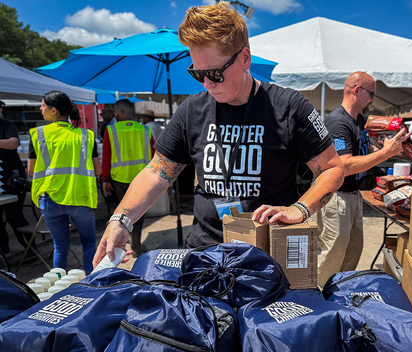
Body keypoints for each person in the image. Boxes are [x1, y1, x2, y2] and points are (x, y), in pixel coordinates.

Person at [93, 2, 345, 267]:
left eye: (214, 73)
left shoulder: (289, 107)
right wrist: (120, 220)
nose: (207, 84)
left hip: (269, 254)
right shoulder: (192, 109)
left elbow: (332, 168)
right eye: (197, 73)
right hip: (205, 253)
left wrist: (300, 209)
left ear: (245, 58)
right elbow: (158, 172)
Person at [315, 71, 411, 286]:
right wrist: (385, 153)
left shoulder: (358, 120)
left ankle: (341, 292)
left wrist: (390, 148)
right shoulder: (338, 122)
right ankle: (320, 295)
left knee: (353, 251)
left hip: (352, 195)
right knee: (333, 256)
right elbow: (345, 165)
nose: (373, 100)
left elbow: (364, 151)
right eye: (372, 94)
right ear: (357, 90)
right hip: (336, 196)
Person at [28, 91, 102, 275]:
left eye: (43, 105)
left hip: (50, 199)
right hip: (80, 198)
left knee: (60, 247)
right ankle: (91, 284)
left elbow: (31, 171)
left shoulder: (38, 135)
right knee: (89, 243)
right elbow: (98, 170)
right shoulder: (86, 136)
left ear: (54, 110)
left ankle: (59, 286)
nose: (40, 108)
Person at [101, 99, 154, 257]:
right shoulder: (145, 130)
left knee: (122, 213)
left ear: (121, 112)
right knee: (138, 213)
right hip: (142, 178)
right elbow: (155, 156)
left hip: (120, 179)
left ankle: (121, 247)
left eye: (115, 112)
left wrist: (105, 179)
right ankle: (136, 246)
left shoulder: (111, 130)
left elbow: (106, 157)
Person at [0, 100, 34, 255]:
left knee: (15, 217)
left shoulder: (7, 126)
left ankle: (31, 251)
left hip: (11, 179)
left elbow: (13, 143)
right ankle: (4, 253)